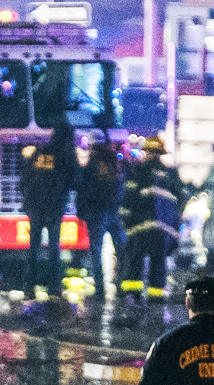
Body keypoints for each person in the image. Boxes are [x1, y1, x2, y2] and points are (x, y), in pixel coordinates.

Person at [118, 136, 180, 303]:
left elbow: (128, 197)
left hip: (140, 227)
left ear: (147, 152)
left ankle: (133, 296)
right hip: (163, 231)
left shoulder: (138, 171)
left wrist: (124, 219)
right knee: (158, 264)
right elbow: (177, 202)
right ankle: (156, 298)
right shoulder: (170, 174)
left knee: (135, 260)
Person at [19, 120, 76, 296]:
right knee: (53, 247)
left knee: (34, 247)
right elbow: (73, 182)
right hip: (54, 207)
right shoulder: (65, 156)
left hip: (35, 207)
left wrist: (29, 200)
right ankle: (54, 287)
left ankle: (29, 287)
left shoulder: (37, 153)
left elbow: (23, 181)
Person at [76, 138, 124, 299]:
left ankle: (100, 290)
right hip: (114, 211)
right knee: (121, 249)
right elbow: (121, 186)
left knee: (96, 251)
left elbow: (83, 189)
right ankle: (121, 286)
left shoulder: (91, 164)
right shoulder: (115, 162)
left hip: (96, 212)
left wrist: (81, 212)